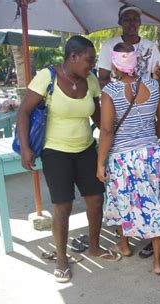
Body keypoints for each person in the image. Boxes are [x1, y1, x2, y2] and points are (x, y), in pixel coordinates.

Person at [17, 36, 121, 283]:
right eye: (89, 60)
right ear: (73, 57)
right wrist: (25, 148)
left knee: (96, 201)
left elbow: (97, 114)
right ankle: (62, 258)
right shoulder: (47, 77)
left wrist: (113, 136)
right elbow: (24, 111)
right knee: (62, 206)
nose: (92, 65)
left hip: (85, 149)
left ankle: (94, 246)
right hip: (55, 151)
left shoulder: (91, 80)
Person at [96, 42, 160, 275]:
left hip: (123, 160)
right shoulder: (154, 86)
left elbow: (107, 131)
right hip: (152, 156)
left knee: (121, 201)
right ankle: (158, 262)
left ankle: (125, 245)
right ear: (136, 61)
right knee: (154, 205)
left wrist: (100, 163)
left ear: (115, 65)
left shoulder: (109, 92)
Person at [98, 4, 160, 88]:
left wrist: (157, 77)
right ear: (120, 22)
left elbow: (157, 83)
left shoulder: (151, 47)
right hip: (118, 99)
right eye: (127, 19)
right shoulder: (108, 46)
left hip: (144, 98)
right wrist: (126, 91)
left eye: (135, 19)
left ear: (140, 22)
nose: (132, 22)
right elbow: (102, 81)